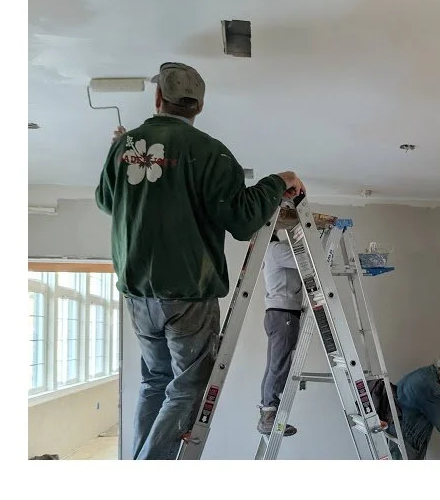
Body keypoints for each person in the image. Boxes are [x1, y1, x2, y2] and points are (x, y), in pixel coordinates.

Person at [95, 61, 304, 459]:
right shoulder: (212, 154)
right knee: (188, 386)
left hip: (138, 293)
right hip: (188, 292)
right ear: (199, 107)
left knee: (156, 381)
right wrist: (279, 181)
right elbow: (243, 221)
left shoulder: (125, 146)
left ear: (159, 98)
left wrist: (121, 155)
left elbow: (108, 201)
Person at [256, 208, 322, 437]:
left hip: (280, 313)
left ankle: (267, 412)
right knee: (279, 364)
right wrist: (312, 232)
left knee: (276, 363)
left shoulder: (274, 249)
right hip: (283, 314)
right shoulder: (275, 250)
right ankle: (268, 416)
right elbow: (308, 262)